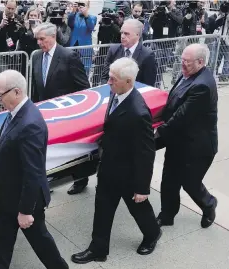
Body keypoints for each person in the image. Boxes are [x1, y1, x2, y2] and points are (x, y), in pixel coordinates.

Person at [71, 57, 162, 264]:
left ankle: (152, 233)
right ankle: (98, 249)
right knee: (102, 207)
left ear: (129, 81)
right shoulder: (117, 94)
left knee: (138, 208)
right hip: (109, 167)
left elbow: (146, 152)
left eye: (113, 79)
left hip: (128, 174)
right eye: (109, 77)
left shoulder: (138, 112)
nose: (108, 82)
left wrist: (142, 187)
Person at [0, 70, 69, 269]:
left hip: (25, 200)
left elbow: (33, 173)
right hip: (9, 195)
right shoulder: (15, 112)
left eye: (0, 95)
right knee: (2, 240)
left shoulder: (30, 124)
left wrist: (25, 211)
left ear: (16, 92)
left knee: (40, 241)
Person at [155, 44, 218, 229]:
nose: (182, 64)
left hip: (196, 146)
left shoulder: (202, 86)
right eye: (181, 60)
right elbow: (174, 101)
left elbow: (181, 116)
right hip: (178, 141)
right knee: (169, 180)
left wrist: (157, 133)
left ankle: (209, 204)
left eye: (187, 62)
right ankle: (167, 215)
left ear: (200, 62)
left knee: (189, 183)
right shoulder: (189, 74)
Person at [31, 22, 92, 195]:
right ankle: (49, 179)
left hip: (68, 114)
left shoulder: (69, 56)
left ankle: (80, 179)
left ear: (53, 37)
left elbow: (83, 87)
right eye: (37, 39)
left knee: (73, 149)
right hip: (45, 113)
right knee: (47, 148)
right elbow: (36, 86)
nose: (39, 43)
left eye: (42, 39)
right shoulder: (36, 56)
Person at [101, 19, 157, 87]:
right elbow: (105, 77)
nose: (122, 36)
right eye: (122, 32)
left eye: (126, 33)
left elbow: (148, 85)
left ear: (137, 35)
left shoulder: (147, 55)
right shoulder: (113, 50)